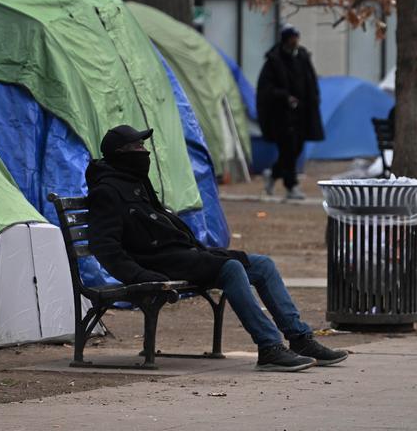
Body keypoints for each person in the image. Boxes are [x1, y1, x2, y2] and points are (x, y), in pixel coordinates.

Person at [86, 125, 347, 372]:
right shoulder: (107, 191)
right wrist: (142, 277)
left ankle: (300, 337)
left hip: (182, 255)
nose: (145, 151)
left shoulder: (134, 180)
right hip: (158, 263)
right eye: (137, 147)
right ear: (121, 154)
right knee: (230, 269)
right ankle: (269, 347)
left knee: (263, 265)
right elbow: (105, 247)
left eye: (144, 145)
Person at [256, 24, 324, 199]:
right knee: (288, 148)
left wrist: (313, 100)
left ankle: (273, 174)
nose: (295, 41)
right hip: (281, 116)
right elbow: (266, 89)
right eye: (292, 38)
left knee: (295, 149)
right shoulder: (274, 61)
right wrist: (284, 97)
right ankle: (291, 185)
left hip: (302, 113)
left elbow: (310, 81)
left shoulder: (302, 57)